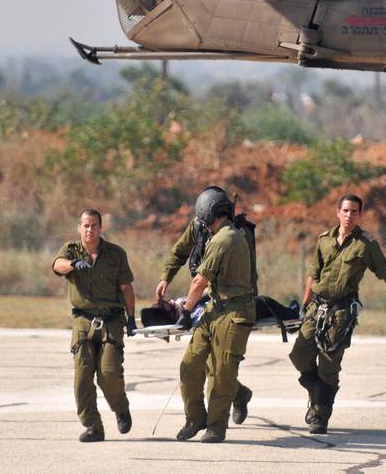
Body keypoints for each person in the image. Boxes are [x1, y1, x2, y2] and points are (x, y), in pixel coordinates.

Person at [289, 194, 386, 434]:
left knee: (328, 364)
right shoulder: (324, 240)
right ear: (338, 212)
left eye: (354, 211)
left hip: (341, 312)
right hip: (317, 307)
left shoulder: (366, 244)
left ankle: (320, 413)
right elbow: (313, 274)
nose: (349, 215)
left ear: (360, 215)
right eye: (345, 211)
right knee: (299, 354)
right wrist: (304, 305)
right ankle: (316, 391)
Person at [155, 186, 254, 426]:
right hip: (206, 298)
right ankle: (235, 396)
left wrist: (189, 309)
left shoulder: (236, 234)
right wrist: (166, 277)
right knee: (198, 363)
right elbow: (180, 251)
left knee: (217, 369)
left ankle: (214, 424)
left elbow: (248, 277)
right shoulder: (200, 225)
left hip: (230, 302)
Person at [52, 209, 138, 443]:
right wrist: (73, 264)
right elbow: (57, 265)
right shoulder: (71, 250)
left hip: (111, 320)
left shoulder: (116, 254)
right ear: (79, 228)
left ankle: (121, 408)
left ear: (101, 228)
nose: (90, 230)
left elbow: (127, 288)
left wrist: (131, 317)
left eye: (94, 225)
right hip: (83, 321)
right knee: (82, 377)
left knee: (108, 373)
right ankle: (93, 427)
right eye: (86, 225)